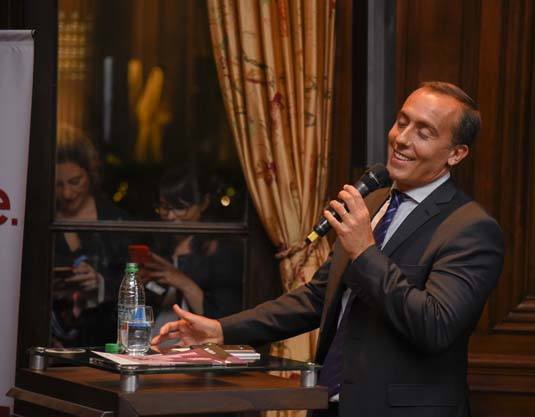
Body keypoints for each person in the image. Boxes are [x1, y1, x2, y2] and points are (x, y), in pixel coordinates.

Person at [151, 82, 505, 417]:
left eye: (423, 133)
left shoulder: (470, 229)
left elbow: (435, 326)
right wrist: (220, 330)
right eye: (401, 122)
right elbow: (317, 299)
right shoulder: (375, 202)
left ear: (456, 154)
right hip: (330, 404)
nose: (401, 139)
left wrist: (365, 251)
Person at [52, 125, 129, 346]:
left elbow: (137, 283)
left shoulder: (116, 222)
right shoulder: (41, 220)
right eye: (58, 185)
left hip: (105, 340)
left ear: (91, 174)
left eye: (75, 182)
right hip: (52, 339)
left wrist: (101, 284)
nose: (67, 193)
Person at [143, 168, 243, 334]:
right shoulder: (160, 245)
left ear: (203, 203)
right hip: (155, 336)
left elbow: (223, 320)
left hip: (195, 342)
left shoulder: (220, 251)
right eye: (164, 207)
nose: (170, 216)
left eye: (179, 207)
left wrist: (181, 281)